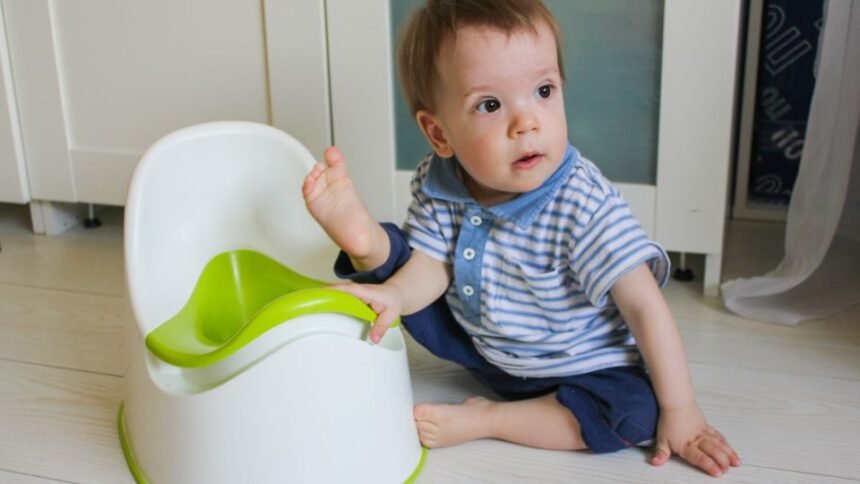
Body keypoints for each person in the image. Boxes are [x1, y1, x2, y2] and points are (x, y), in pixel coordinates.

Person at [303, 0, 740, 477]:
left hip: (582, 367)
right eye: (490, 105)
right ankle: (368, 245)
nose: (527, 122)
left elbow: (643, 304)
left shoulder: (582, 204)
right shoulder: (440, 179)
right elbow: (432, 265)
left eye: (543, 91)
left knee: (637, 412)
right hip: (483, 346)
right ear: (439, 133)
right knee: (405, 268)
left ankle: (491, 419)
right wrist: (397, 293)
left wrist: (681, 409)